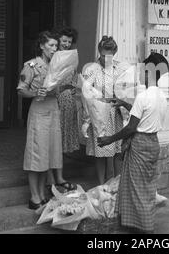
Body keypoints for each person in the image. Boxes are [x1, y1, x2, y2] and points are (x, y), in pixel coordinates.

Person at [97, 52, 169, 234]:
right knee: (145, 187)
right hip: (153, 143)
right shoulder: (161, 95)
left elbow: (131, 128)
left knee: (137, 190)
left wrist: (109, 140)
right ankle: (135, 224)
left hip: (139, 144)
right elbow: (144, 116)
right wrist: (124, 103)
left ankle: (145, 229)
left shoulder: (143, 97)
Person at [17, 31, 65, 210]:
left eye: (56, 46)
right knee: (36, 154)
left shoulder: (56, 66)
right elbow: (21, 90)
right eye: (51, 45)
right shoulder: (31, 65)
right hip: (38, 111)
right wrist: (36, 92)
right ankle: (34, 196)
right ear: (41, 46)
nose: (54, 49)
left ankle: (43, 194)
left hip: (53, 110)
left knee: (49, 153)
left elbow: (58, 89)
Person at [81, 36, 126, 185]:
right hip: (99, 114)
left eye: (110, 56)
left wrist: (121, 99)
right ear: (99, 52)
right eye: (103, 55)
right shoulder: (91, 69)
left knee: (117, 151)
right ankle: (101, 185)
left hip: (115, 113)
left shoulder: (119, 69)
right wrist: (87, 119)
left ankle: (115, 183)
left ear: (114, 53)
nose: (106, 59)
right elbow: (86, 93)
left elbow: (125, 90)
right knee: (101, 151)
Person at [46, 27, 79, 192]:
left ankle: (59, 176)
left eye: (69, 41)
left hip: (68, 102)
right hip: (54, 100)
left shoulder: (73, 57)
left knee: (61, 140)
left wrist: (72, 88)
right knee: (52, 139)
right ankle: (50, 176)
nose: (66, 44)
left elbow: (74, 80)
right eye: (63, 41)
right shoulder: (52, 57)